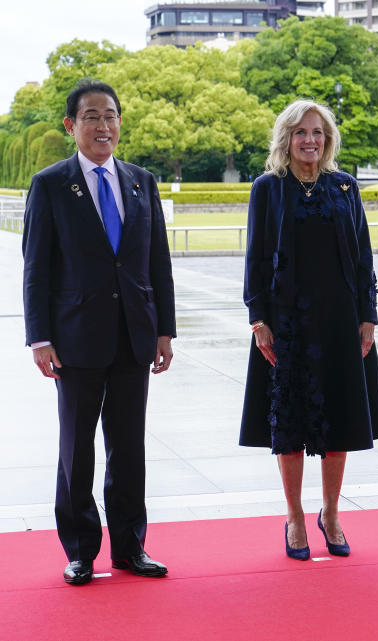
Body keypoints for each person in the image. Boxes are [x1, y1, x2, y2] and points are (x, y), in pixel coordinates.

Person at [22, 80, 176, 585]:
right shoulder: (50, 184)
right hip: (75, 339)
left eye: (110, 115)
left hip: (136, 335)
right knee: (77, 451)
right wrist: (39, 337)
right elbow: (36, 268)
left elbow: (157, 262)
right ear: (72, 125)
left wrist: (164, 330)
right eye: (91, 116)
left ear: (119, 122)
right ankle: (80, 550)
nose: (102, 125)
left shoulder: (141, 181)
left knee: (129, 448)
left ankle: (131, 547)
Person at [240, 100, 378, 559]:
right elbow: (256, 257)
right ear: (285, 138)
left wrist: (368, 316)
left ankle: (330, 514)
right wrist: (258, 319)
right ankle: (294, 517)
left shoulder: (345, 187)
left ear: (328, 140)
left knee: (339, 423)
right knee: (288, 424)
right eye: (301, 132)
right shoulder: (268, 188)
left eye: (318, 133)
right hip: (285, 323)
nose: (310, 140)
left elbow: (363, 256)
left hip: (340, 321)